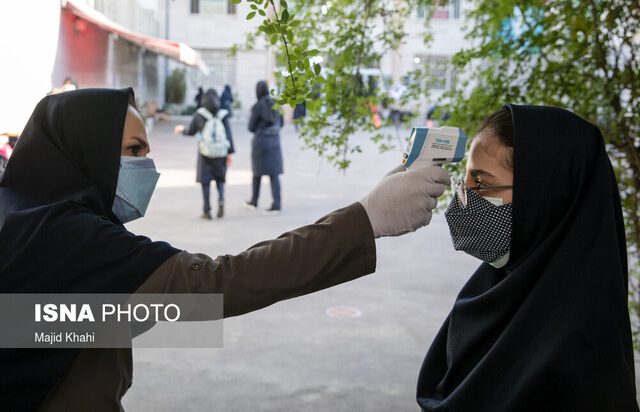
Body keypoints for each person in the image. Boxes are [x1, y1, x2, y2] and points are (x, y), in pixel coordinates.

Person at [0, 88, 450, 410]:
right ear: (86, 151)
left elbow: (61, 322)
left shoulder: (20, 216)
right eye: (133, 150)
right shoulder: (71, 237)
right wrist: (366, 218)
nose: (148, 166)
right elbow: (219, 285)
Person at [416, 105, 638, 410]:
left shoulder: (586, 354)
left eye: (481, 183)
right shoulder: (491, 288)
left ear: (544, 197)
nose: (462, 197)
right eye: (465, 180)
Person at [175, 88, 234, 219]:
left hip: (205, 153)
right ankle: (221, 200)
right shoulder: (223, 114)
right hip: (221, 153)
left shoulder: (199, 114)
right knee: (220, 179)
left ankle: (207, 210)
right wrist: (230, 153)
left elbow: (191, 131)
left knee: (205, 181)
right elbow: (229, 135)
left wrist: (181, 129)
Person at [244, 80, 284, 215]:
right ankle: (277, 204)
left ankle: (254, 201)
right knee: (274, 175)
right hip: (275, 143)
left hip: (260, 143)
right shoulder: (277, 105)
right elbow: (282, 123)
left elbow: (251, 127)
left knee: (257, 173)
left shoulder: (257, 107)